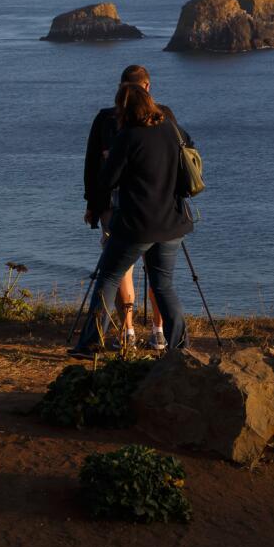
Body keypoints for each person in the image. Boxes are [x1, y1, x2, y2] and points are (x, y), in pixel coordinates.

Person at [71, 82, 193, 356]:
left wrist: (110, 158)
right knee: (164, 286)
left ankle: (92, 344)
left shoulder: (128, 136)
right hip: (172, 223)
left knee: (108, 278)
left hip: (137, 225)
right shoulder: (171, 129)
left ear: (124, 109)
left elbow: (107, 180)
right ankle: (180, 347)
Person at [83, 64, 168, 350]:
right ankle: (158, 331)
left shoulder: (106, 119)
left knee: (119, 271)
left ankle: (128, 331)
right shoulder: (162, 117)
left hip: (115, 208)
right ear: (147, 87)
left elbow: (93, 167)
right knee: (158, 273)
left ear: (120, 89)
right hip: (158, 207)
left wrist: (92, 205)